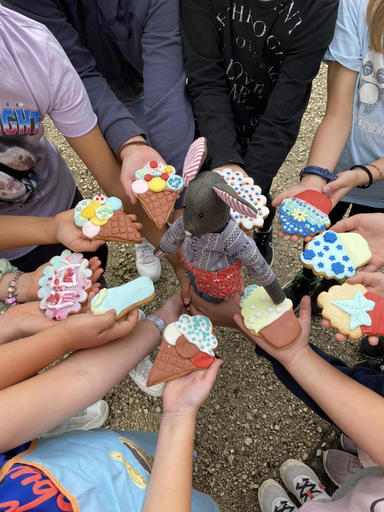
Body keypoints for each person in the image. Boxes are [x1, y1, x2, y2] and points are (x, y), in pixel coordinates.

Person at [0, 6, 190, 300]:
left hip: (65, 207)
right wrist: (49, 229)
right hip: (14, 250)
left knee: (95, 280)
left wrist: (182, 259)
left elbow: (114, 180)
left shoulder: (33, 46)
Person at [0, 293, 220, 511]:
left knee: (158, 467)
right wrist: (178, 417)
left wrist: (163, 320)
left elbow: (81, 375)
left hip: (101, 454)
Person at [179, 0, 339, 266]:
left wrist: (247, 193)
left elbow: (285, 107)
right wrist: (226, 161)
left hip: (270, 120)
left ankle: (262, 229)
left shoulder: (319, 5)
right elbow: (205, 77)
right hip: (210, 116)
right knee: (208, 185)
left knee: (260, 189)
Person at [275, 0, 384, 313]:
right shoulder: (359, 7)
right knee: (321, 234)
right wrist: (314, 179)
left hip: (374, 181)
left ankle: (332, 283)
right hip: (337, 164)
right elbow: (338, 113)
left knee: (360, 249)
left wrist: (366, 174)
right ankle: (307, 278)